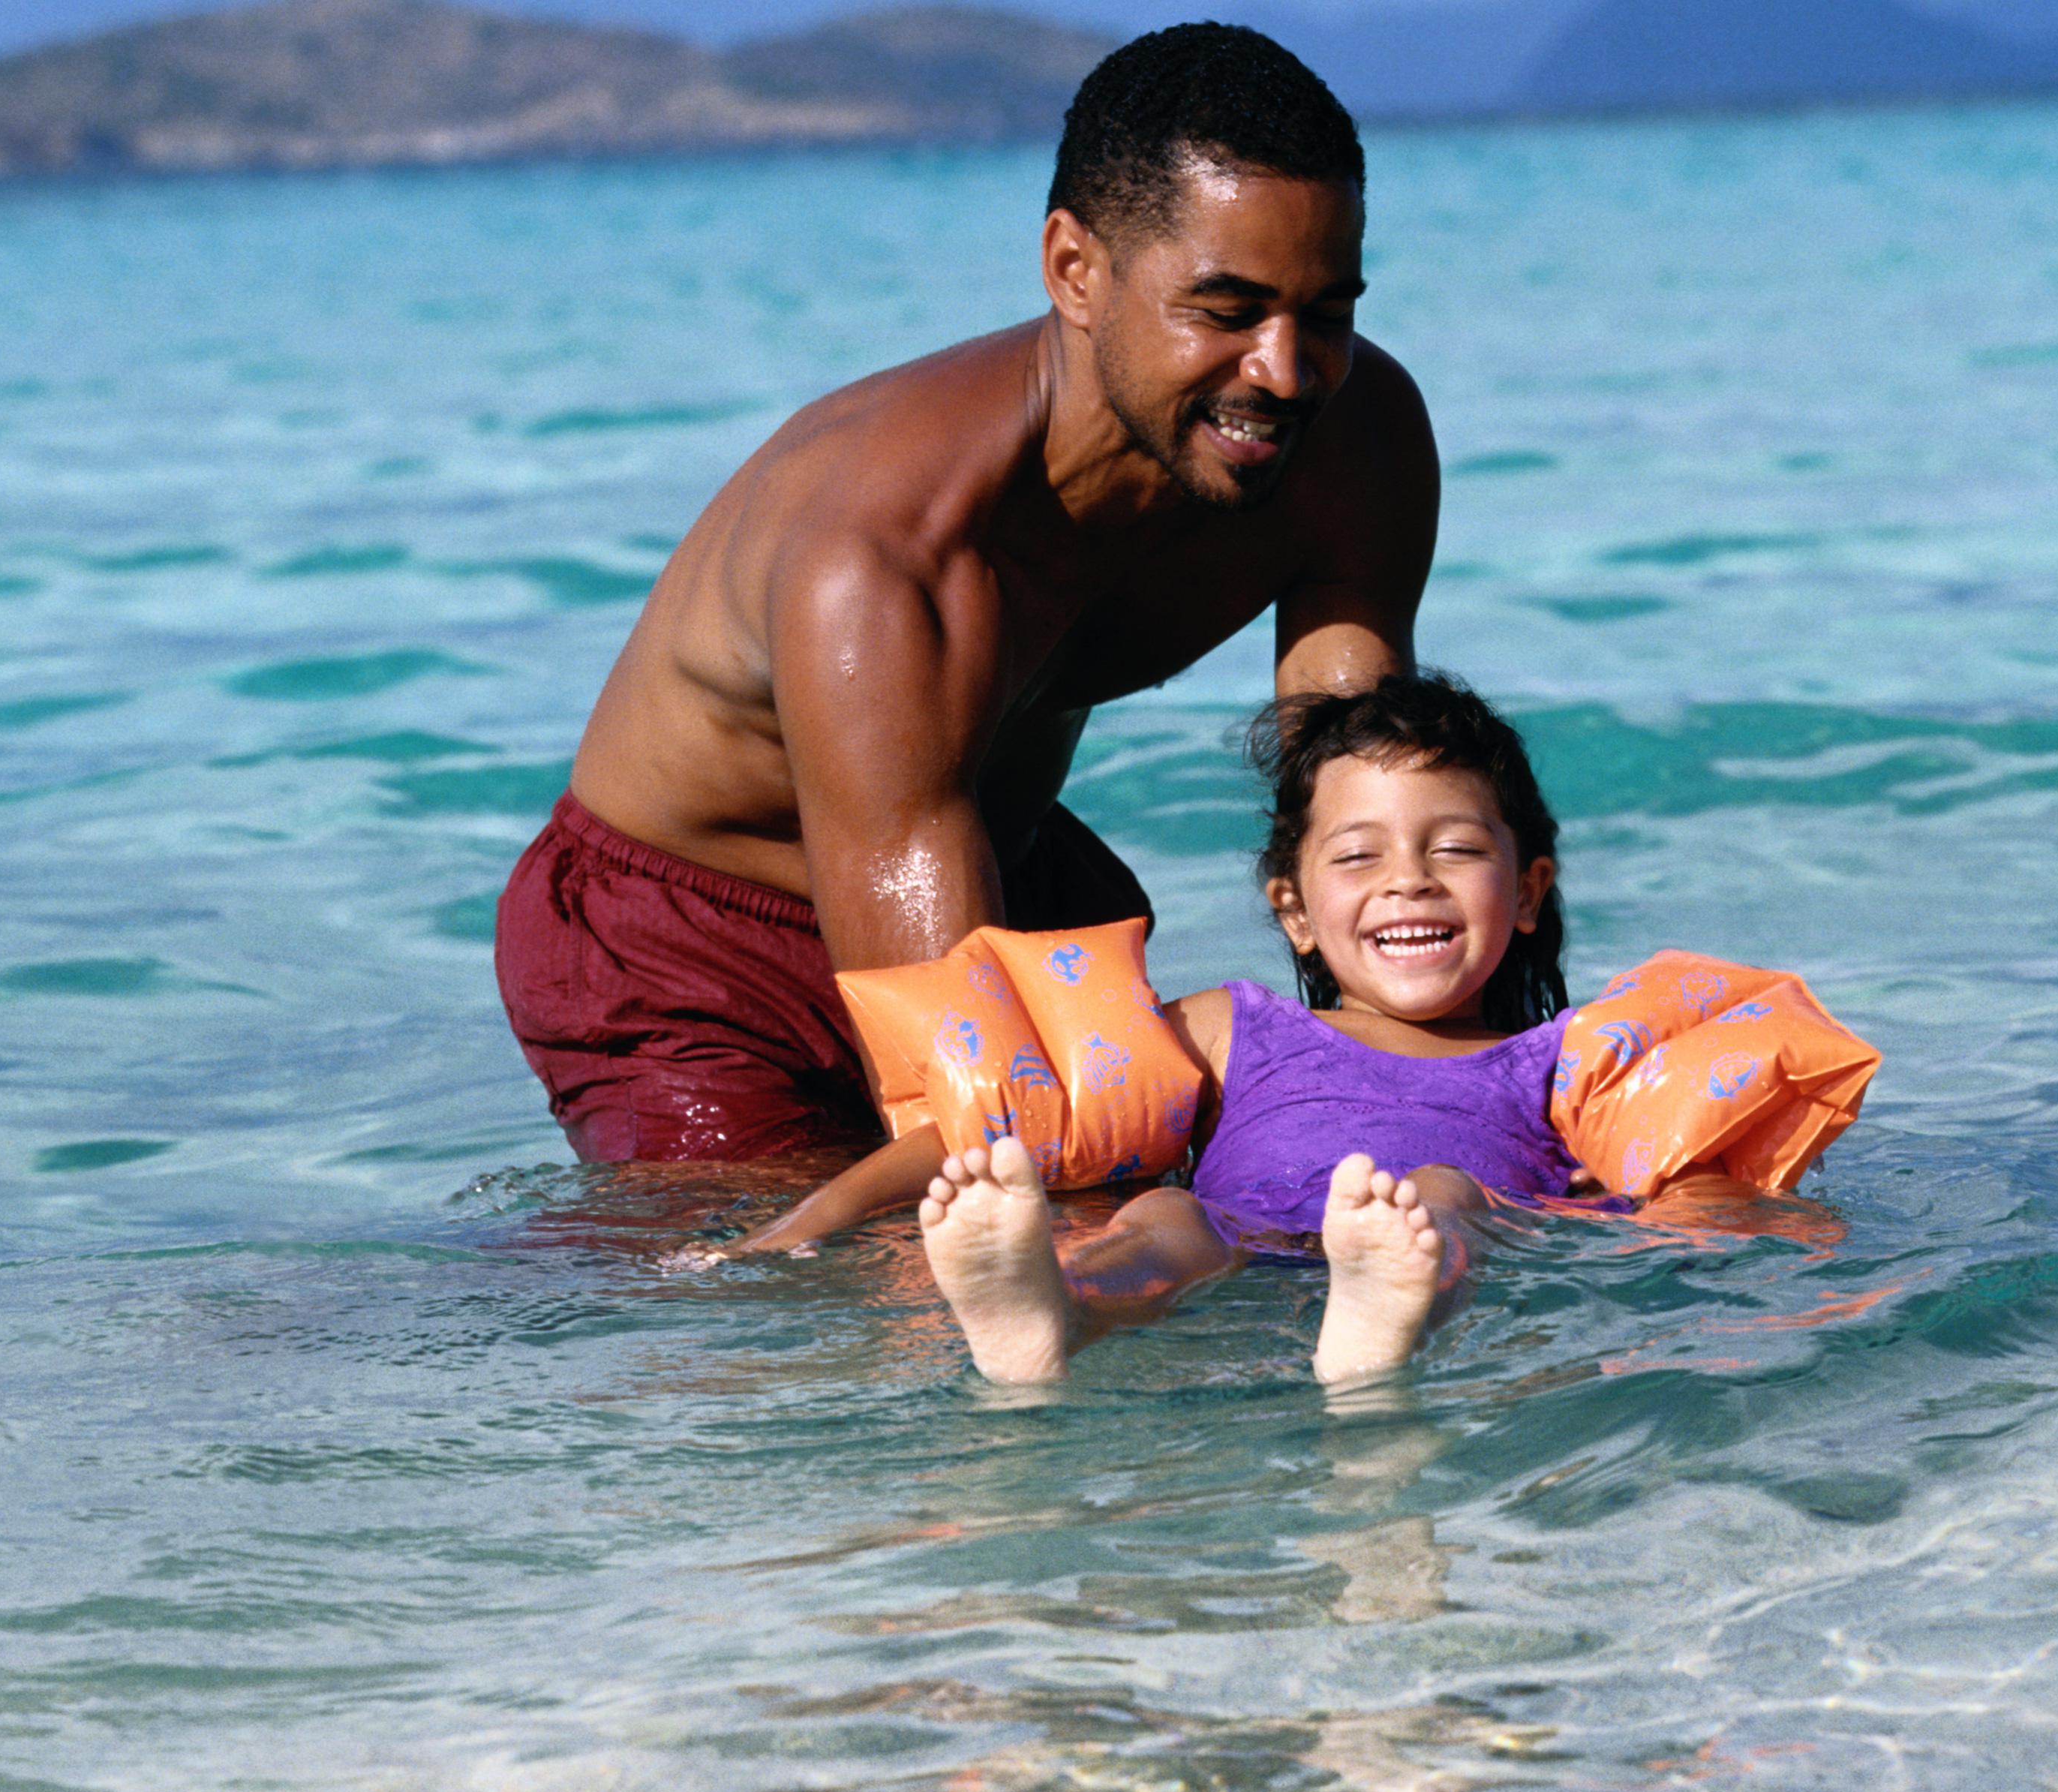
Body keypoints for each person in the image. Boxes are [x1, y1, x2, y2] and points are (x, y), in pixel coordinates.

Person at [494, 24, 1438, 1164]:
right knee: (800, 1285)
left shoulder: (1353, 439)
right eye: (1226, 311)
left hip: (991, 849)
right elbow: (978, 1087)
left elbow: (1370, 836)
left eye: (1325, 312)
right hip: (696, 945)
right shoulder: (889, 549)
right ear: (1073, 272)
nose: (1284, 372)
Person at [749, 674, 1750, 1388]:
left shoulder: (1564, 1060)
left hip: (1421, 1247)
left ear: (1527, 891)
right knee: (1167, 1221)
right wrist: (805, 1223)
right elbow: (1016, 1120)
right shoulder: (1238, 1028)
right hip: (1249, 1234)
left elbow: (1689, 1189)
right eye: (1358, 855)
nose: (1408, 876)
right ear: (1294, 910)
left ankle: (1382, 1323)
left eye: (1453, 847)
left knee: (1442, 1195)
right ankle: (1055, 1308)